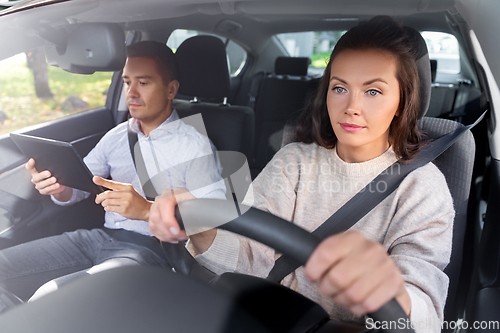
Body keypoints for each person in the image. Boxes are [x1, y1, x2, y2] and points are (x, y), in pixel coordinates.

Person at [149, 16, 454, 332]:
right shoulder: (293, 160)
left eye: (373, 92)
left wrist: (389, 291)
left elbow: (426, 318)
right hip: (270, 316)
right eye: (340, 88)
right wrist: (194, 222)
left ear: (403, 101)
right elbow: (251, 257)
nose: (351, 107)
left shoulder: (422, 187)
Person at [0, 41, 225, 302]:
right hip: (97, 237)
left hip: (152, 250)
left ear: (171, 89)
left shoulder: (195, 146)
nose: (131, 92)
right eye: (128, 82)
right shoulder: (117, 136)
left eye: (143, 83)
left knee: (51, 297)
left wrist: (145, 210)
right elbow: (82, 186)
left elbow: (213, 225)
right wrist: (61, 189)